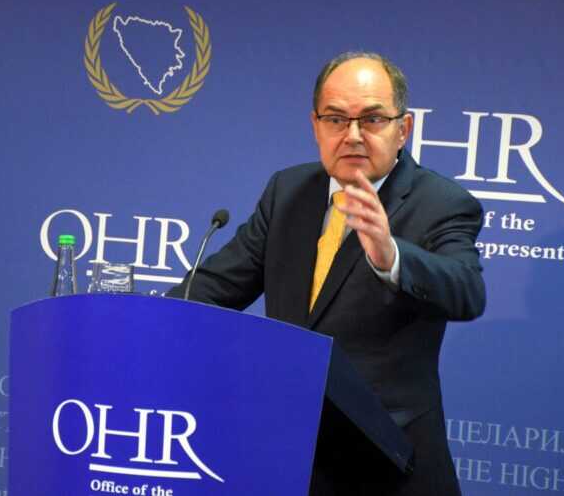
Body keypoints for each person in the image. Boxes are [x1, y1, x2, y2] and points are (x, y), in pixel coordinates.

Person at [167, 51, 485, 495]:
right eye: (336, 119)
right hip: (289, 450)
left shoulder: (442, 203)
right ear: (316, 126)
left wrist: (391, 256)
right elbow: (217, 286)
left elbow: (466, 290)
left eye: (372, 119)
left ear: (403, 129)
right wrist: (143, 320)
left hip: (387, 459)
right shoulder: (288, 190)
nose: (352, 135)